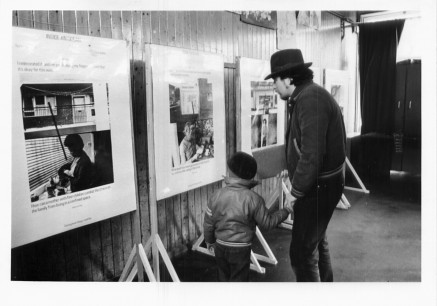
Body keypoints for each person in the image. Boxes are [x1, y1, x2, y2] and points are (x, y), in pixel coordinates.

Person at [265, 49, 346, 282]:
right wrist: (290, 165)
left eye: (275, 80)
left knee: (301, 253)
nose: (274, 86)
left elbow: (312, 155)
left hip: (318, 188)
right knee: (316, 243)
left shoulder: (310, 99)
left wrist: (295, 192)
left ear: (289, 78)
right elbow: (302, 144)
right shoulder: (305, 96)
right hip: (320, 185)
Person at [203, 151, 292, 281]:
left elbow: (208, 223)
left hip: (220, 246)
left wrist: (209, 241)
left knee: (223, 279)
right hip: (241, 250)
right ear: (251, 176)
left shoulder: (215, 195)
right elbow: (267, 223)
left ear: (229, 172)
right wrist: (286, 210)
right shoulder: (254, 199)